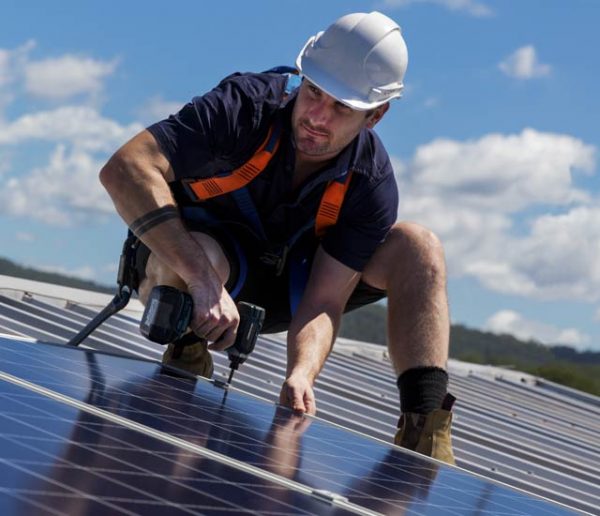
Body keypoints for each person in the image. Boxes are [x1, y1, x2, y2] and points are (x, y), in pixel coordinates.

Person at [100, 11, 456, 464]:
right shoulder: (243, 107)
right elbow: (125, 168)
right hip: (196, 271)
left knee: (419, 246)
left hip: (290, 292)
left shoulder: (370, 183)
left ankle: (424, 438)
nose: (317, 117)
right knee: (204, 258)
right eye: (313, 94)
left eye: (341, 108)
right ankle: (187, 351)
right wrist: (204, 282)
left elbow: (325, 300)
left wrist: (302, 374)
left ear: (376, 115)